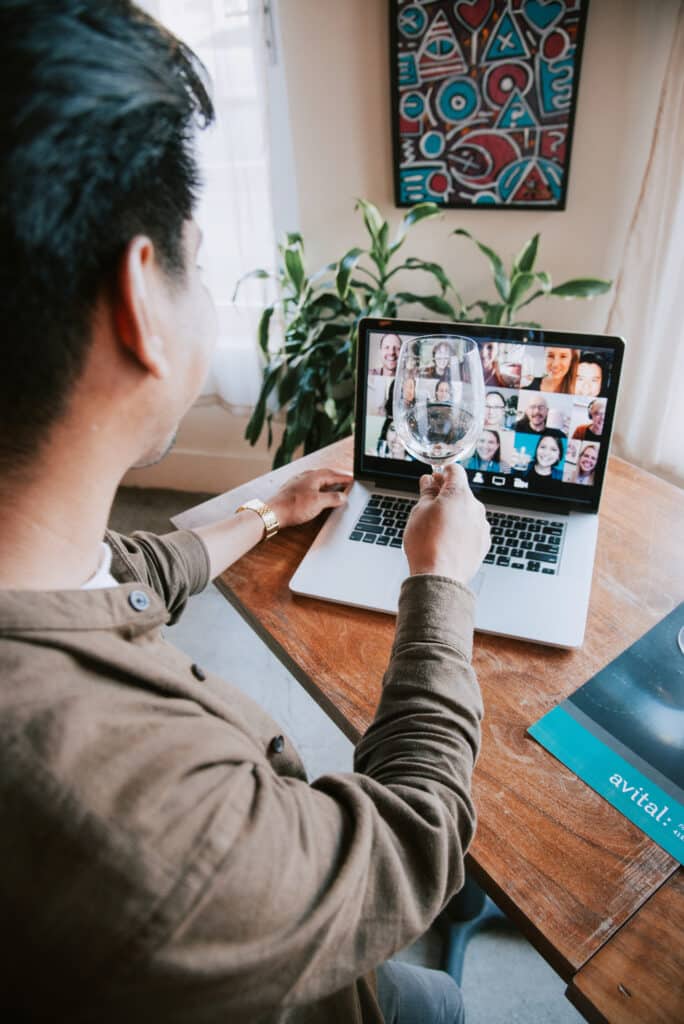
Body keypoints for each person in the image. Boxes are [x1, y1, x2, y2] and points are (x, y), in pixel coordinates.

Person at [0, 4, 491, 1023]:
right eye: (200, 256)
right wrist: (439, 585)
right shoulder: (157, 820)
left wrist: (266, 510)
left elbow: (108, 575)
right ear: (142, 297)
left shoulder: (29, 570)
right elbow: (409, 841)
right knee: (437, 999)